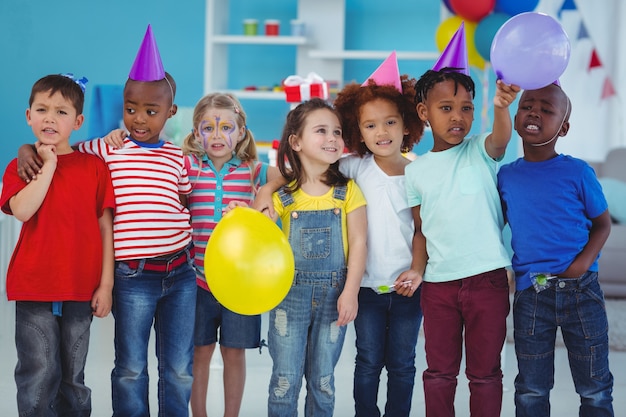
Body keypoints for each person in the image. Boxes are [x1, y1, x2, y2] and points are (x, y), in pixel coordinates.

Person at [18, 26, 196, 417]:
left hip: (181, 270)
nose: (138, 118)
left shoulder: (177, 157)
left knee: (180, 369)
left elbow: (183, 198)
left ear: (171, 112)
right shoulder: (104, 148)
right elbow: (61, 149)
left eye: (151, 111)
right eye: (130, 108)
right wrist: (27, 147)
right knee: (131, 368)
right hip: (133, 275)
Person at [404, 23, 520, 417]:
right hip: (438, 286)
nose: (458, 117)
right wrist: (418, 271)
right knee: (439, 372)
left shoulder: (480, 151)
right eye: (446, 108)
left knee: (486, 373)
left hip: (487, 279)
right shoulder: (415, 172)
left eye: (466, 109)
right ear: (424, 113)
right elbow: (421, 230)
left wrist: (502, 108)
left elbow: (501, 139)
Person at [239, 98, 367, 416]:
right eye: (321, 130)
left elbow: (360, 242)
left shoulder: (348, 190)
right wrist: (247, 214)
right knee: (284, 381)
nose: (332, 139)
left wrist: (351, 292)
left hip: (335, 297)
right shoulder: (282, 195)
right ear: (295, 142)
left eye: (336, 132)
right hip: (289, 297)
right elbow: (260, 234)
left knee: (323, 381)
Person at [0, 73, 115, 416]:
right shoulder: (22, 166)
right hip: (35, 284)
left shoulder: (94, 167)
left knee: (73, 376)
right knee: (37, 374)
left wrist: (106, 285)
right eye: (42, 109)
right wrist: (47, 164)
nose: (50, 118)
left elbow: (105, 227)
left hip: (82, 286)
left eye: (61, 112)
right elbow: (22, 210)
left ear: (78, 122)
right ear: (28, 116)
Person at [497, 83, 614, 416]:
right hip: (531, 295)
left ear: (563, 127)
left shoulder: (577, 171)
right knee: (532, 389)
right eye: (527, 106)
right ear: (517, 117)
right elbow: (495, 226)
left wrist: (581, 265)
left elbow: (602, 224)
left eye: (547, 109)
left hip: (582, 291)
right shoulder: (506, 176)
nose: (535, 112)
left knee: (595, 388)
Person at [180, 92, 281, 417]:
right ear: (197, 133)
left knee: (234, 354)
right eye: (208, 128)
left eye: (226, 127)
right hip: (197, 282)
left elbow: (290, 178)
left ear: (240, 132)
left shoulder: (254, 170)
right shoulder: (190, 167)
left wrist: (262, 195)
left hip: (241, 285)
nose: (217, 135)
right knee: (199, 354)